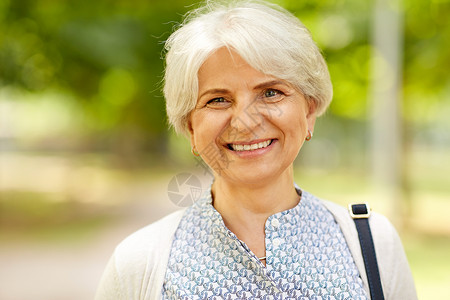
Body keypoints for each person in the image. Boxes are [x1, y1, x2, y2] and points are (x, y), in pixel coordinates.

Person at [95, 1, 417, 299]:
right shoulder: (139, 262)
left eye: (271, 93)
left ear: (308, 112)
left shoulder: (373, 244)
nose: (245, 123)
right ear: (191, 128)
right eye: (217, 99)